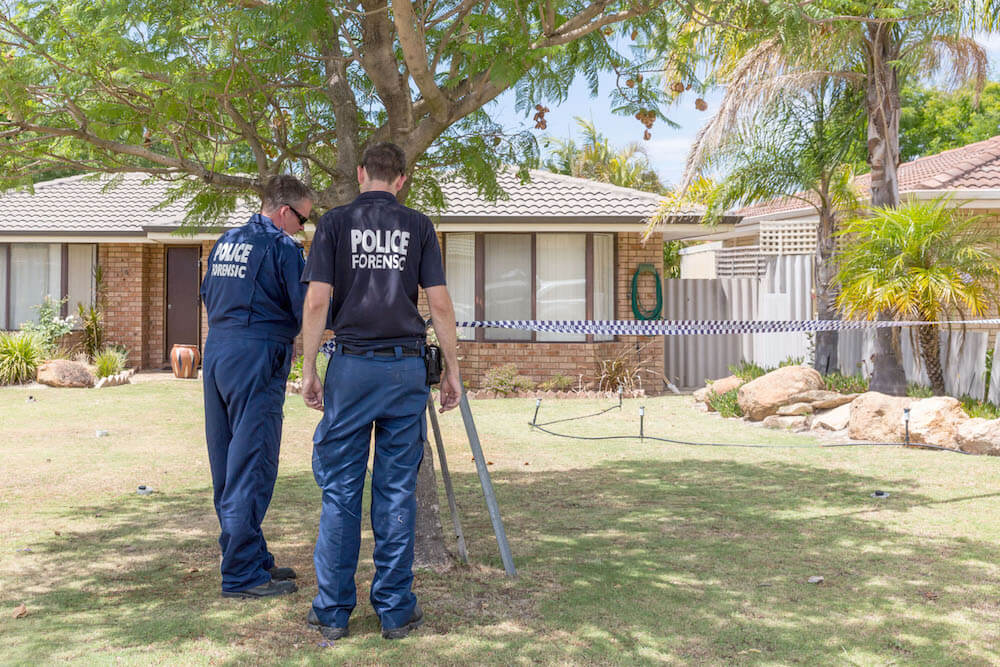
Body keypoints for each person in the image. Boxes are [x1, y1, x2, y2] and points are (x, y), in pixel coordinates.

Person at [299, 142, 461, 640]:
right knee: (395, 491)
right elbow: (439, 305)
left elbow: (317, 301)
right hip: (402, 372)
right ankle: (394, 611)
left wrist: (308, 368)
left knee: (341, 491)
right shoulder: (419, 227)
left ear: (361, 171)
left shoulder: (332, 224)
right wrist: (453, 368)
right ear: (402, 179)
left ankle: (332, 613)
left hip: (350, 369)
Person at [200, 175, 312, 599]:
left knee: (227, 463)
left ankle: (252, 554)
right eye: (302, 218)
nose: (304, 227)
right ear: (284, 212)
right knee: (253, 461)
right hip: (257, 355)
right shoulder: (283, 247)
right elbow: (305, 308)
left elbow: (208, 296)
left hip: (218, 352)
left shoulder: (226, 241)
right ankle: (242, 575)